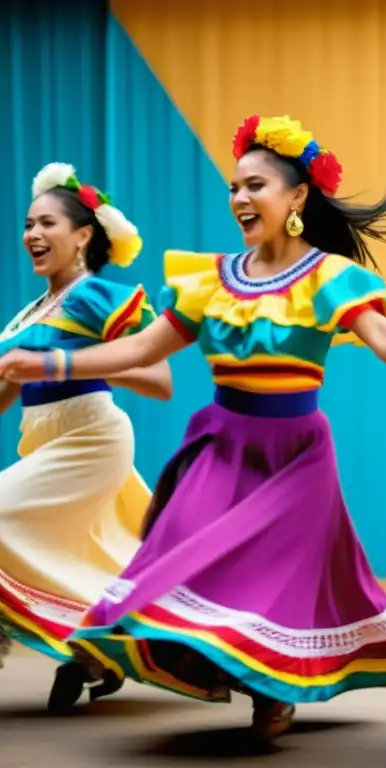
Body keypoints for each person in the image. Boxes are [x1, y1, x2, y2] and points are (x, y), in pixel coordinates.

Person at [0, 115, 386, 738]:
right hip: (220, 445)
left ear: (296, 197)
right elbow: (139, 352)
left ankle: (274, 692)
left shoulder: (329, 277)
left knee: (273, 576)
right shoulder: (211, 280)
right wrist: (52, 361)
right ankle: (206, 669)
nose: (240, 198)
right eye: (235, 187)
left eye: (256, 186)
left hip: (295, 454)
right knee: (180, 564)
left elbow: (384, 338)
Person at [0, 162, 170, 712]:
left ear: (83, 236)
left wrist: (58, 364)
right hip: (44, 443)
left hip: (92, 439)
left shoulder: (98, 296)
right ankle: (100, 648)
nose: (31, 234)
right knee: (88, 562)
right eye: (27, 224)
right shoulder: (27, 315)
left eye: (46, 222)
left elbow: (158, 380)